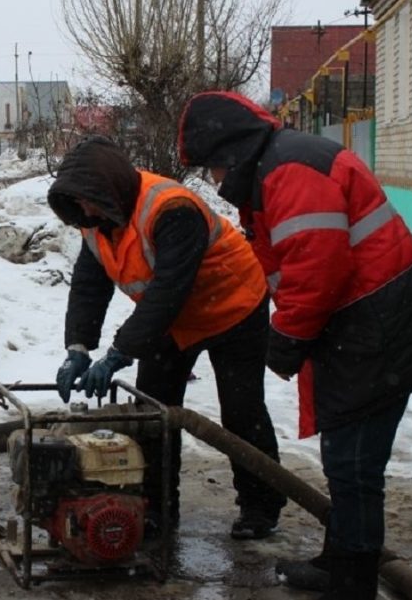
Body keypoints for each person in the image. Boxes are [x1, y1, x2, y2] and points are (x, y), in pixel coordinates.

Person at [177, 91, 412, 599]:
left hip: (380, 326)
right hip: (364, 326)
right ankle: (343, 560)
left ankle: (351, 578)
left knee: (354, 463)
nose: (215, 182)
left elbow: (317, 268)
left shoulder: (288, 171)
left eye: (213, 169)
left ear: (231, 154)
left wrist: (286, 340)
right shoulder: (277, 168)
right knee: (348, 458)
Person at [49, 135, 286, 540]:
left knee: (241, 411)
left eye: (88, 201)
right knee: (155, 413)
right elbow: (89, 287)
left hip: (233, 309)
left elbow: (168, 292)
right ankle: (158, 508)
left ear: (108, 191)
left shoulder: (171, 208)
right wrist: (78, 348)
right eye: (78, 204)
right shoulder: (95, 220)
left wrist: (119, 353)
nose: (83, 211)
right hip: (171, 322)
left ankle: (260, 506)